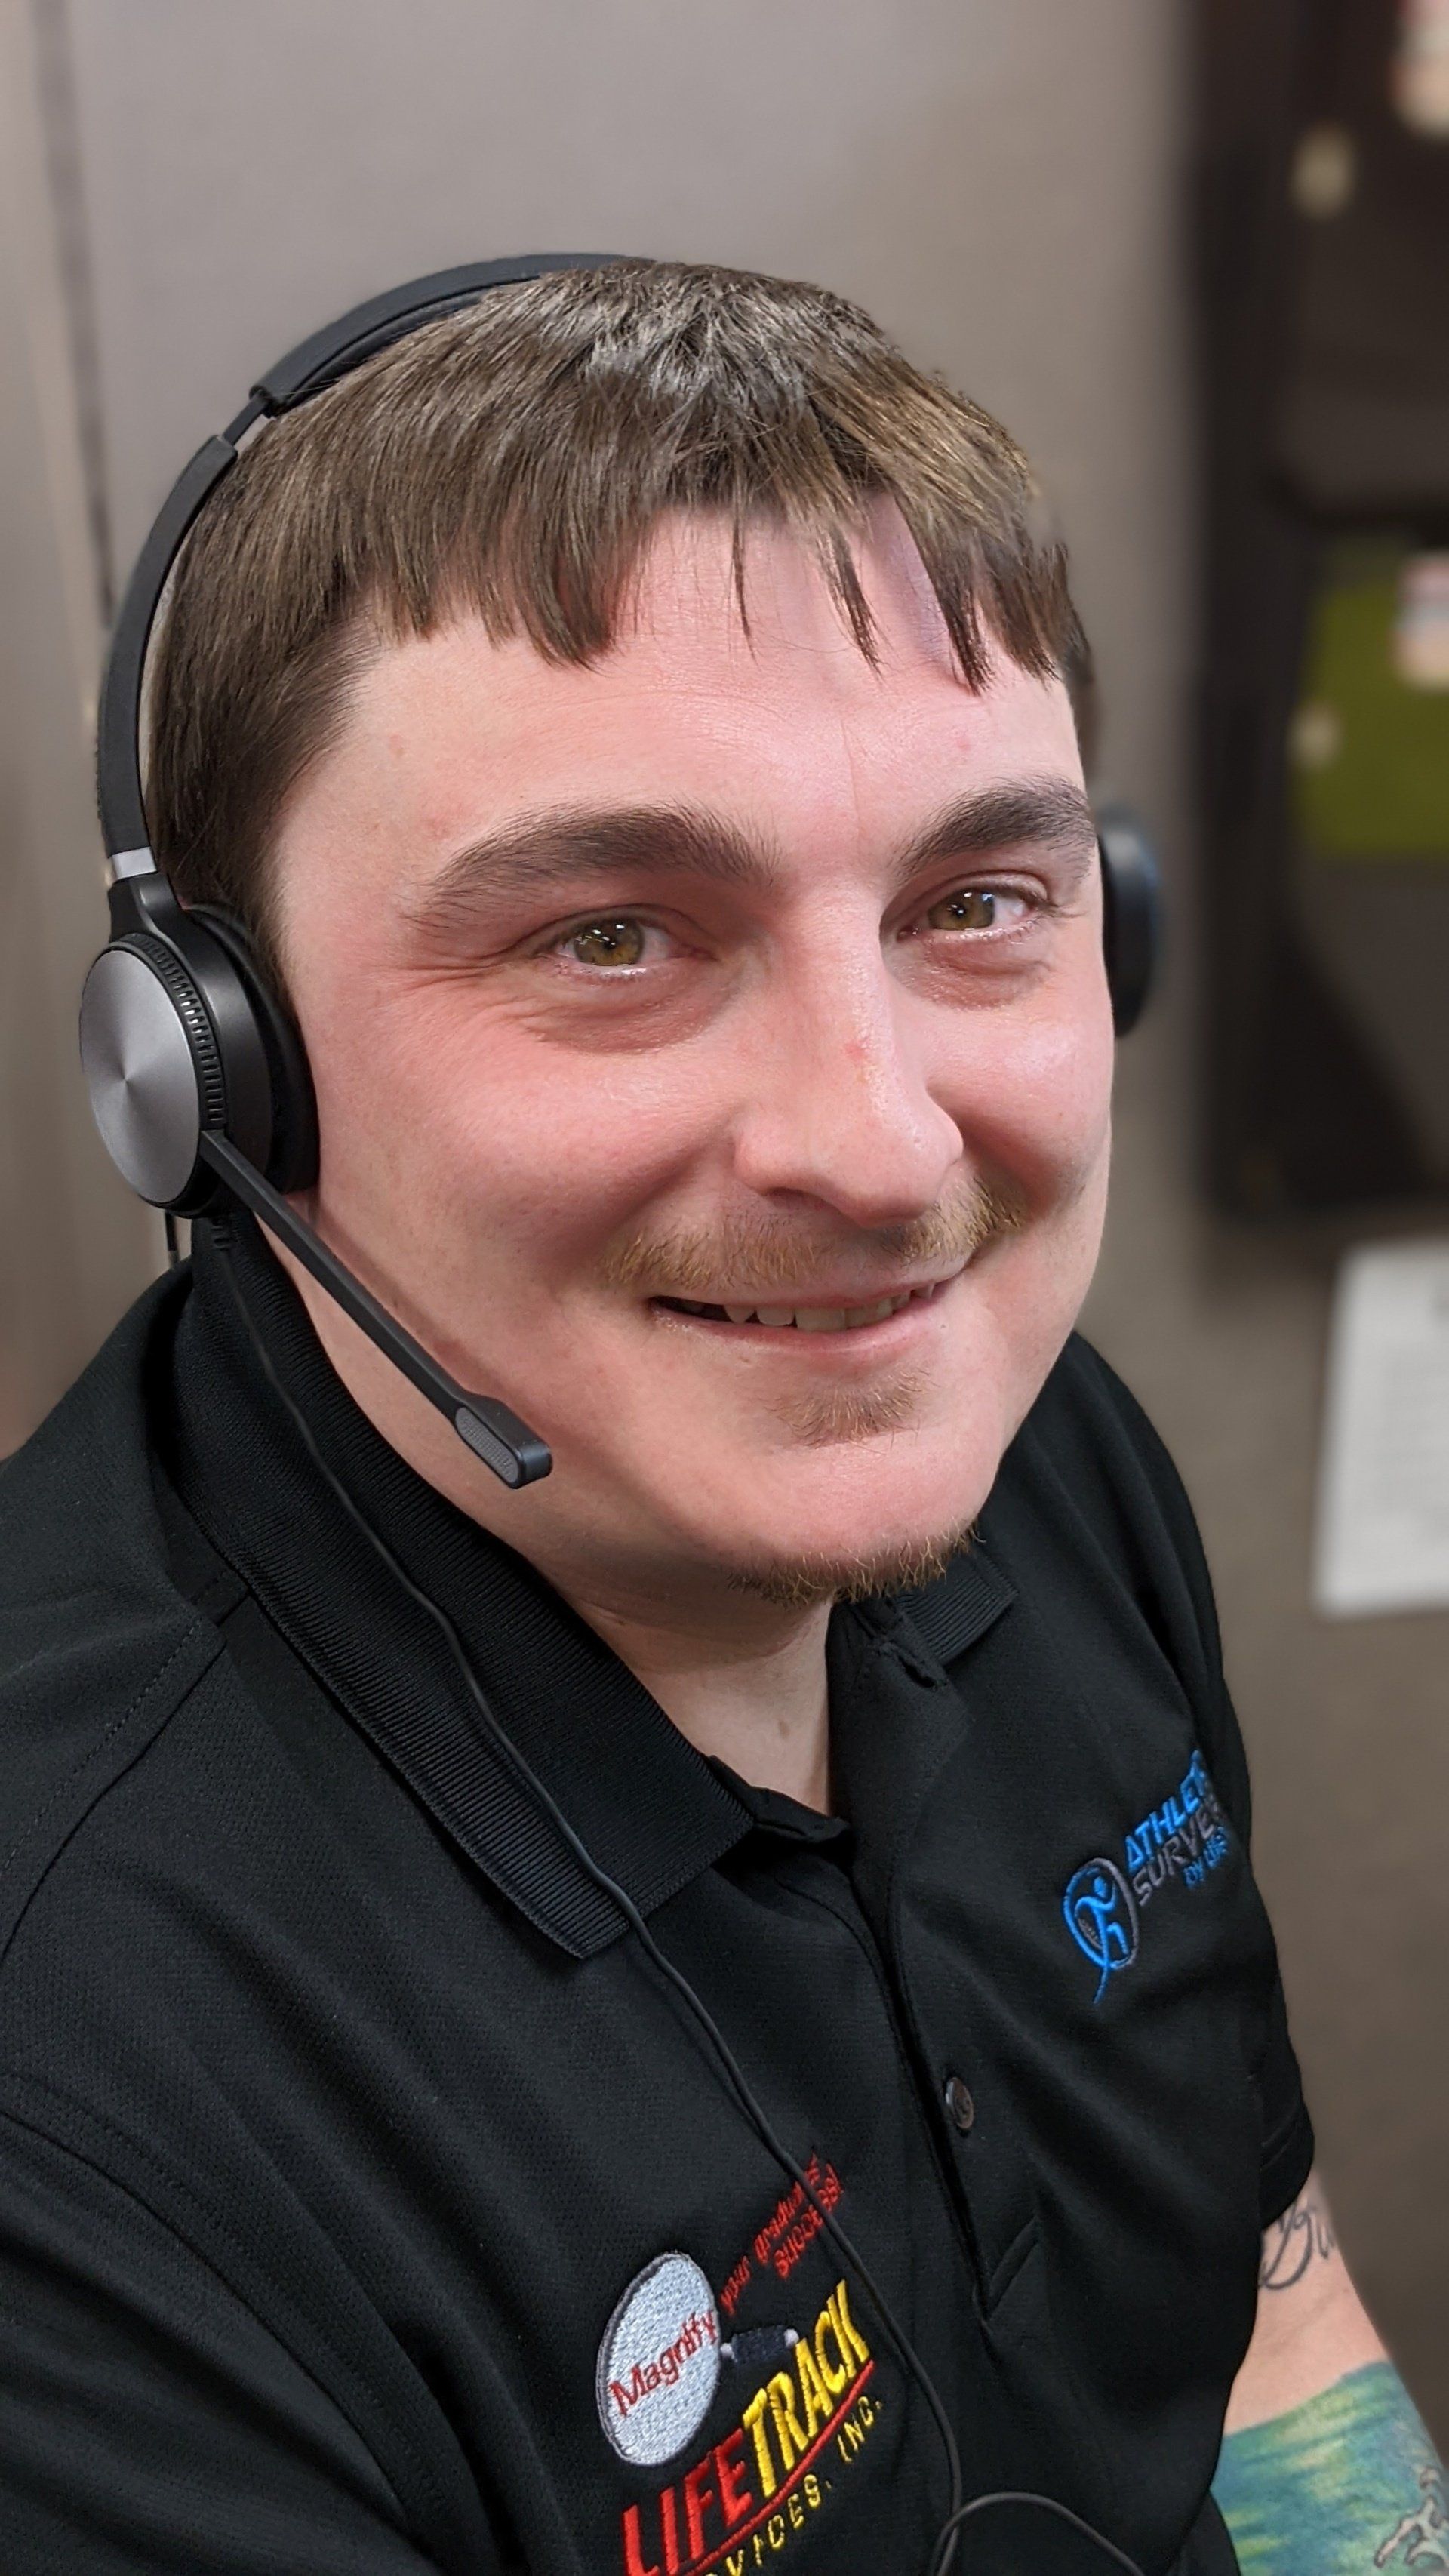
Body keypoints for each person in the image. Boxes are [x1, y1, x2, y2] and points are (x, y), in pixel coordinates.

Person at [0, 258, 1438, 2576]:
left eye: (980, 900)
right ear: (210, 1074)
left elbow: (1267, 2315)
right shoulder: (75, 2097)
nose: (882, 1158)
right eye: (613, 937)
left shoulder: (1027, 1457)